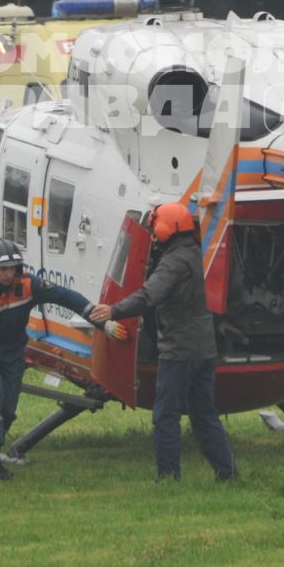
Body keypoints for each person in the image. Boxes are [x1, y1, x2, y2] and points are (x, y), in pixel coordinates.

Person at [88, 203, 238, 483]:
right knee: (204, 414)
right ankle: (227, 472)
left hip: (179, 352)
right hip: (205, 349)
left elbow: (148, 296)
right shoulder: (198, 253)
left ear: (164, 228)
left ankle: (168, 476)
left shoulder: (174, 262)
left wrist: (113, 310)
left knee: (166, 415)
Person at [0, 239, 125, 480]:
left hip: (14, 350)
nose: (8, 274)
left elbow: (67, 297)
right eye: (3, 269)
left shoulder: (28, 284)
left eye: (13, 268)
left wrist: (102, 322)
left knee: (9, 408)